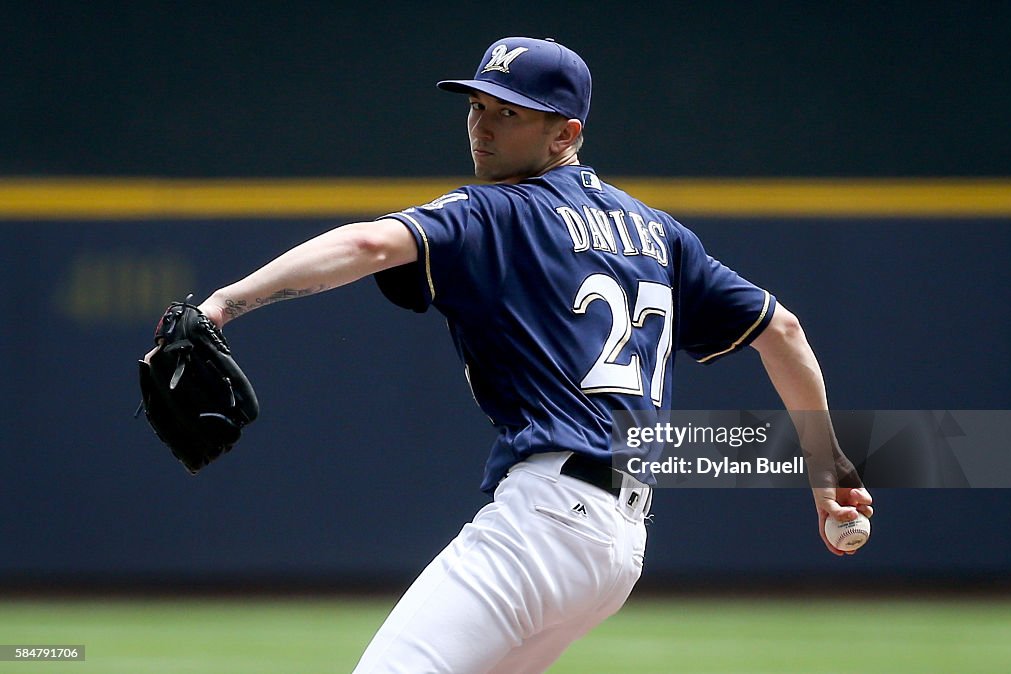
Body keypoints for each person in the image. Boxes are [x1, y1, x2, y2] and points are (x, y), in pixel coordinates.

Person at [189, 37, 873, 673]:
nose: (482, 127)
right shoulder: (658, 233)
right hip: (617, 547)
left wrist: (222, 304)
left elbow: (369, 246)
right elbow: (781, 330)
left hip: (547, 518)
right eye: (477, 106)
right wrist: (827, 469)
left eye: (510, 113)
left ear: (565, 133)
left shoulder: (497, 211)